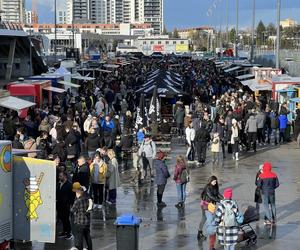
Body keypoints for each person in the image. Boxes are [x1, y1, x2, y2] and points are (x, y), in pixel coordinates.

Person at [198, 176, 223, 240]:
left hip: (211, 205)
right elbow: (211, 196)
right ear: (210, 181)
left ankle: (200, 232)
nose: (215, 182)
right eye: (214, 181)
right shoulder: (207, 187)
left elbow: (218, 194)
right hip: (206, 205)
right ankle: (205, 232)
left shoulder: (215, 186)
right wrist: (219, 201)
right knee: (206, 218)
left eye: (216, 181)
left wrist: (224, 198)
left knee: (204, 218)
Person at [71, 182, 93, 250]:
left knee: (79, 239)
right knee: (87, 237)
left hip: (80, 222)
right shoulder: (88, 199)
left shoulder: (78, 201)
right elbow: (91, 208)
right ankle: (90, 248)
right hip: (87, 222)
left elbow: (72, 210)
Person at [57, 171, 73, 240]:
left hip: (66, 205)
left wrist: (70, 204)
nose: (59, 177)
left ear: (65, 176)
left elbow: (72, 196)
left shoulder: (69, 184)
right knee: (62, 218)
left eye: (60, 176)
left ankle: (69, 233)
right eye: (59, 176)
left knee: (66, 219)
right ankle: (64, 231)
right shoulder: (59, 183)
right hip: (60, 204)